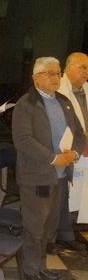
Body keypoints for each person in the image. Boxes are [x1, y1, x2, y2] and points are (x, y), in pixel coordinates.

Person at [12, 57, 85, 280]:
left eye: (57, 73)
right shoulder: (26, 104)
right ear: (36, 78)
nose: (56, 78)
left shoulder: (63, 101)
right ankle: (30, 270)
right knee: (35, 227)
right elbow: (23, 140)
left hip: (61, 175)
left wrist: (72, 154)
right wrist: (54, 158)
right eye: (50, 74)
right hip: (38, 177)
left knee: (50, 226)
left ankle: (41, 266)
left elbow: (80, 134)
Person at [50, 52, 88, 252]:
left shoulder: (86, 90)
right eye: (82, 67)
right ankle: (61, 234)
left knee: (82, 194)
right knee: (66, 194)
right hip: (68, 150)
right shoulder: (60, 91)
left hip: (84, 150)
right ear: (68, 68)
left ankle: (74, 230)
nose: (86, 72)